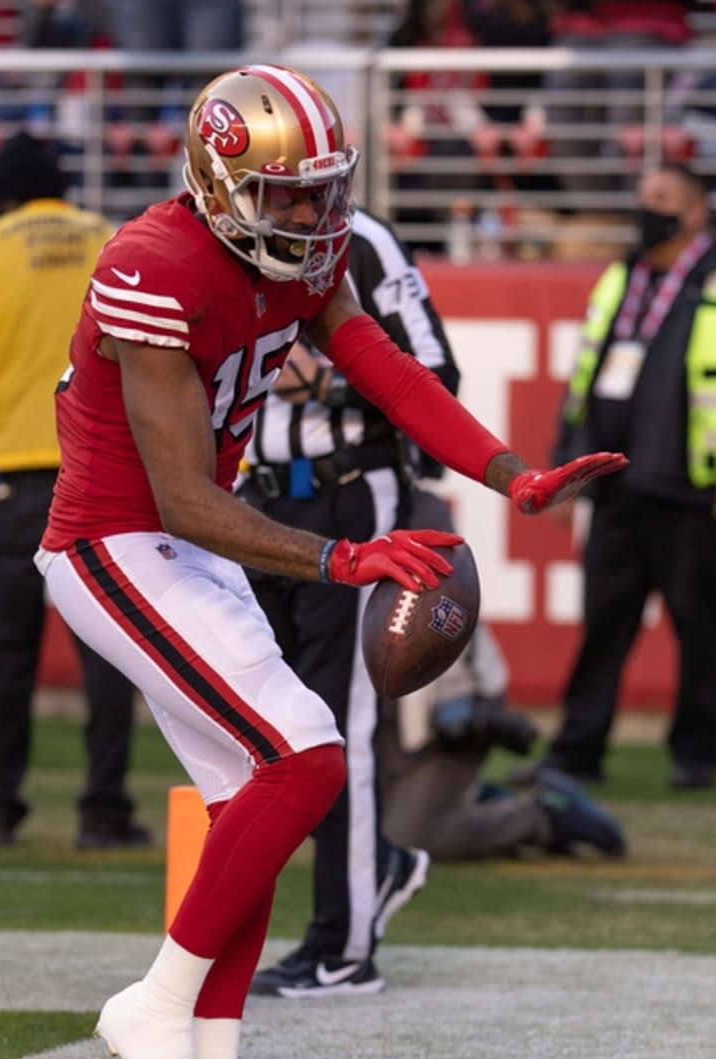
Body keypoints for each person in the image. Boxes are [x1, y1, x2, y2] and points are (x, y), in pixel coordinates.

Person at [31, 63, 626, 1059]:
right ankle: (153, 1009)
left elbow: (385, 371)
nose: (310, 215)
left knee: (251, 809)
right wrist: (343, 557)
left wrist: (510, 477)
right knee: (305, 756)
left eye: (324, 191)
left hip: (186, 546)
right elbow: (179, 495)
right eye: (287, 195)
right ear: (218, 183)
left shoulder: (315, 258)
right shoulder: (150, 266)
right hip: (114, 542)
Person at [241, 206, 458, 1000]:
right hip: (249, 507)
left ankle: (345, 943)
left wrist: (328, 380)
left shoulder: (359, 243)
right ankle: (369, 881)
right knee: (270, 729)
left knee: (341, 726)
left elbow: (438, 375)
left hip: (345, 499)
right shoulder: (214, 238)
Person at [525, 162, 716, 791]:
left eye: (662, 199)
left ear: (696, 211)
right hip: (615, 484)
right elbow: (585, 378)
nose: (648, 209)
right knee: (602, 625)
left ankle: (697, 754)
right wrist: (567, 465)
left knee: (697, 626)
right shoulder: (626, 275)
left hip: (691, 486)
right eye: (644, 198)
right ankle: (577, 752)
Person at [0, 130, 148, 851]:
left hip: (5, 480)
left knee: (5, 651)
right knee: (112, 654)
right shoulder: (110, 243)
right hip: (101, 474)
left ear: (2, 195)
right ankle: (104, 810)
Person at [379, 487, 628, 863]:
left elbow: (444, 606)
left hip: (441, 697)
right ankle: (483, 800)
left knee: (407, 840)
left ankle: (542, 816)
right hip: (373, 708)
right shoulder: (304, 500)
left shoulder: (410, 505)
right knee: (341, 826)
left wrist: (457, 699)